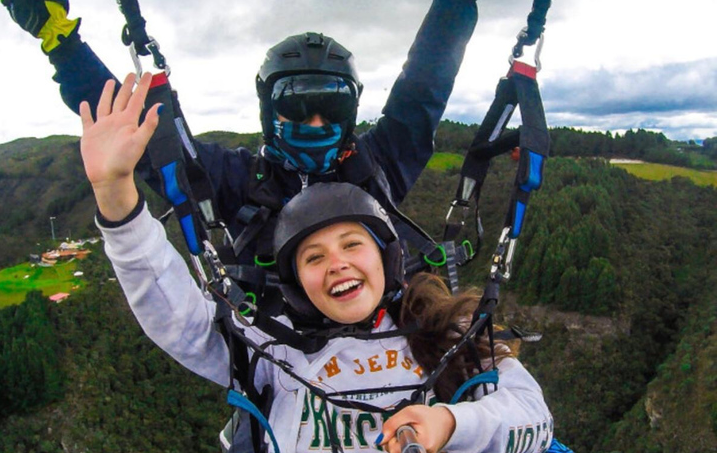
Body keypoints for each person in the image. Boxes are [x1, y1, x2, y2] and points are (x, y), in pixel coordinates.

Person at [80, 73, 554, 453]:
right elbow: (175, 315)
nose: (337, 265)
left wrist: (450, 424)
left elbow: (533, 420)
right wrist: (115, 195)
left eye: (352, 244)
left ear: (386, 258)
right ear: (295, 282)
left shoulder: (449, 332)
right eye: (314, 256)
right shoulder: (270, 349)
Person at [1, 0, 491, 266]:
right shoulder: (235, 181)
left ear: (352, 113)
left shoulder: (378, 162)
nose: (316, 121)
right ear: (268, 112)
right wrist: (63, 47)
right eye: (297, 106)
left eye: (333, 109)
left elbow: (427, 76)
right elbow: (141, 136)